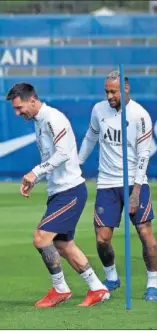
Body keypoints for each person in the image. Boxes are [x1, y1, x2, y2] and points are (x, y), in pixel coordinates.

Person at [5, 83, 110, 307]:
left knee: (41, 238)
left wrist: (35, 172)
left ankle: (60, 289)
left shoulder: (53, 118)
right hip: (58, 191)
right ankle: (98, 288)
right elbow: (50, 158)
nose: (17, 112)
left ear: (32, 100)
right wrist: (36, 179)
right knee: (64, 245)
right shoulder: (38, 122)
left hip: (70, 191)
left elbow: (63, 153)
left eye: (20, 107)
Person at [78, 70, 157, 301]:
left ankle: (153, 283)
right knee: (102, 238)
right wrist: (78, 163)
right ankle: (111, 277)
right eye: (107, 91)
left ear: (126, 89)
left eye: (113, 91)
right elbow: (91, 138)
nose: (110, 96)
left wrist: (136, 191)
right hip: (106, 182)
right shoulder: (98, 110)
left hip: (134, 181)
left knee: (145, 233)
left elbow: (144, 154)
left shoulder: (139, 115)